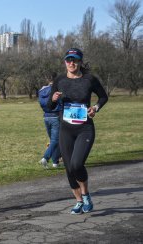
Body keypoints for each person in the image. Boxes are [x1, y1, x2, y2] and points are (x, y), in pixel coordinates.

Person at [47, 48, 108, 214]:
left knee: (76, 164)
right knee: (68, 168)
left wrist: (95, 107)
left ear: (80, 62)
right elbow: (50, 106)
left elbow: (103, 96)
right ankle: (79, 201)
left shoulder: (89, 79)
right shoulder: (59, 80)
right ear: (65, 62)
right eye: (68, 60)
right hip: (65, 129)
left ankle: (86, 194)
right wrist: (53, 99)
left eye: (74, 60)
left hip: (84, 128)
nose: (71, 63)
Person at [38, 72, 62, 169]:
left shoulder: (41, 90)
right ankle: (45, 158)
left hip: (46, 117)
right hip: (56, 116)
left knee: (53, 141)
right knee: (55, 141)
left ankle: (55, 163)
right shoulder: (57, 90)